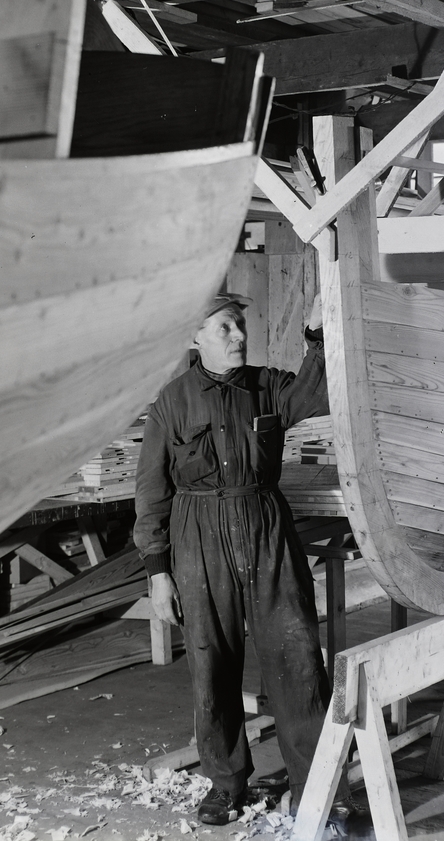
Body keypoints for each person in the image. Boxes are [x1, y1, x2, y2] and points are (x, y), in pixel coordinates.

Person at [133, 291, 335, 824]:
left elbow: (320, 393)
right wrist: (158, 573)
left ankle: (314, 781)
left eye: (240, 324)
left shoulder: (268, 387)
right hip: (198, 538)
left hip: (267, 528)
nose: (238, 335)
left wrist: (316, 335)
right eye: (224, 326)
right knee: (211, 662)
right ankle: (226, 783)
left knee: (296, 657)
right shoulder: (171, 403)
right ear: (194, 339)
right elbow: (152, 492)